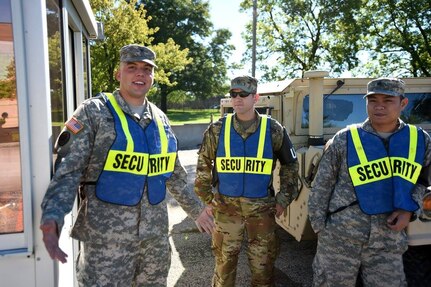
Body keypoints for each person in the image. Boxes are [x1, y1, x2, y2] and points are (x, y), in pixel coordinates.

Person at [40, 44, 215, 286]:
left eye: (146, 69)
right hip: (107, 247)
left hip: (154, 243)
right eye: (131, 67)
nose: (140, 74)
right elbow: (69, 169)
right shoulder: (94, 112)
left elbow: (173, 176)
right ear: (118, 74)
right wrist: (53, 216)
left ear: (153, 76)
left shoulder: (160, 119)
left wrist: (198, 211)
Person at [308, 78, 431, 286]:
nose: (379, 105)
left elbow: (423, 179)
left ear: (403, 103)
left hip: (388, 239)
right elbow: (322, 186)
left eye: (387, 100)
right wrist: (321, 228)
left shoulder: (419, 140)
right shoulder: (344, 139)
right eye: (373, 100)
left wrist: (410, 210)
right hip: (340, 237)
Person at [194, 75, 299, 287]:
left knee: (263, 270)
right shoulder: (217, 130)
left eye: (243, 94)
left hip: (261, 211)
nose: (238, 99)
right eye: (234, 94)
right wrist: (207, 200)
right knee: (224, 269)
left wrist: (283, 199)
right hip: (225, 210)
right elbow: (203, 165)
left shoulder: (273, 129)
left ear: (256, 97)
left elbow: (290, 165)